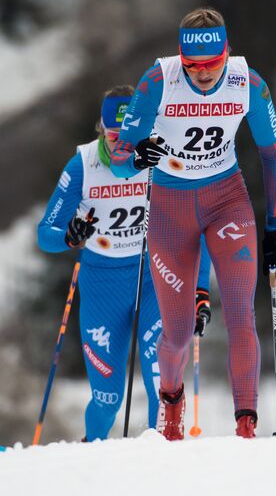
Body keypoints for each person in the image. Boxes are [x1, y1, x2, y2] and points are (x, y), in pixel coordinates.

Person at [111, 7, 276, 440]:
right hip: (171, 209)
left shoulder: (249, 83)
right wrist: (136, 157)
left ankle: (246, 424)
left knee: (240, 315)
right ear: (181, 58)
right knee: (176, 334)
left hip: (226, 200)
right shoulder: (158, 80)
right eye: (194, 66)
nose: (205, 74)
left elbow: (273, 156)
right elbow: (120, 156)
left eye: (213, 64)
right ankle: (171, 407)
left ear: (227, 53)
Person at [37, 85, 211, 441]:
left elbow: (199, 229)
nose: (122, 143)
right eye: (114, 135)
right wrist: (70, 235)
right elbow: (45, 234)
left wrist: (199, 289)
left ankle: (158, 460)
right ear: (101, 128)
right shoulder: (83, 165)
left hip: (153, 279)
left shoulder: (163, 158)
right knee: (108, 397)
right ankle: (90, 457)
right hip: (102, 285)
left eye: (130, 134)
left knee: (160, 379)